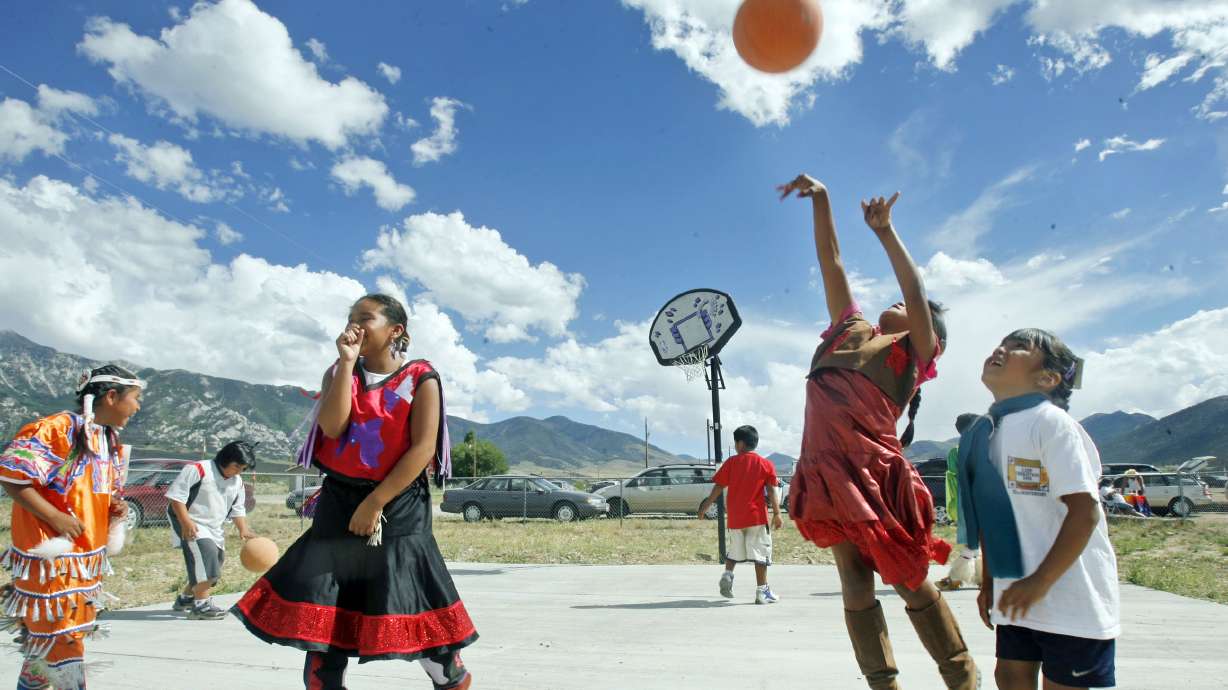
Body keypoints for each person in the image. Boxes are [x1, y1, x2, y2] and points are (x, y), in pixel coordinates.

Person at [778, 175, 976, 690]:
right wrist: (822, 200)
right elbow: (832, 261)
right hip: (827, 473)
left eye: (912, 311)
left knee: (908, 578)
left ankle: (962, 677)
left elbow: (915, 289)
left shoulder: (913, 354)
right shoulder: (848, 329)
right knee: (854, 583)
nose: (898, 303)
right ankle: (883, 683)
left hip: (874, 476)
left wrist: (886, 232)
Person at [232, 293, 476, 690]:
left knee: (423, 626)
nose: (355, 326)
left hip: (399, 506)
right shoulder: (339, 371)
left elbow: (422, 450)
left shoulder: (421, 378)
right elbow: (332, 427)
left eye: (367, 318)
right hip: (339, 500)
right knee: (325, 626)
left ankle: (448, 676)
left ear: (396, 330)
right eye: (351, 318)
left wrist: (375, 502)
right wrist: (346, 365)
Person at [960, 329, 1119, 690]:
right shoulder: (988, 432)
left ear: (1046, 378)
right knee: (1010, 676)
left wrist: (1040, 582)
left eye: (1019, 347)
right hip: (1017, 594)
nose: (1001, 348)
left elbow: (1085, 511)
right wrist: (988, 584)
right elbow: (992, 516)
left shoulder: (1051, 424)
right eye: (1001, 342)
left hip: (1071, 598)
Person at [0, 365, 144, 690]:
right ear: (111, 396)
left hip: (81, 563)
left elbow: (93, 492)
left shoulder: (108, 439)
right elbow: (13, 478)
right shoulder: (58, 429)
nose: (137, 407)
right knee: (64, 643)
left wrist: (113, 508)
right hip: (52, 562)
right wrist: (56, 517)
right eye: (135, 398)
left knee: (48, 645)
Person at [166, 441, 258, 620]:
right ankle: (201, 606)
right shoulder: (198, 469)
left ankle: (186, 598)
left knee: (214, 563)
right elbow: (176, 499)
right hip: (189, 520)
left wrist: (243, 529)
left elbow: (237, 509)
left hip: (213, 526)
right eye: (236, 466)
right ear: (225, 459)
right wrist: (185, 522)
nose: (239, 471)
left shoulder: (237, 482)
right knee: (207, 559)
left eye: (243, 468)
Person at [697, 425, 782, 605]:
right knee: (760, 554)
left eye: (735, 443)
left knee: (734, 551)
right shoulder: (766, 464)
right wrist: (776, 513)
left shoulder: (731, 462)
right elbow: (772, 491)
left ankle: (728, 574)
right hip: (756, 517)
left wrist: (706, 506)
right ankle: (762, 591)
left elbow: (718, 486)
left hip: (735, 518)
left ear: (740, 444)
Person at [936, 413, 982, 591]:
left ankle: (957, 577)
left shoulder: (956, 451)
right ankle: (979, 577)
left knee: (971, 542)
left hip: (965, 500)